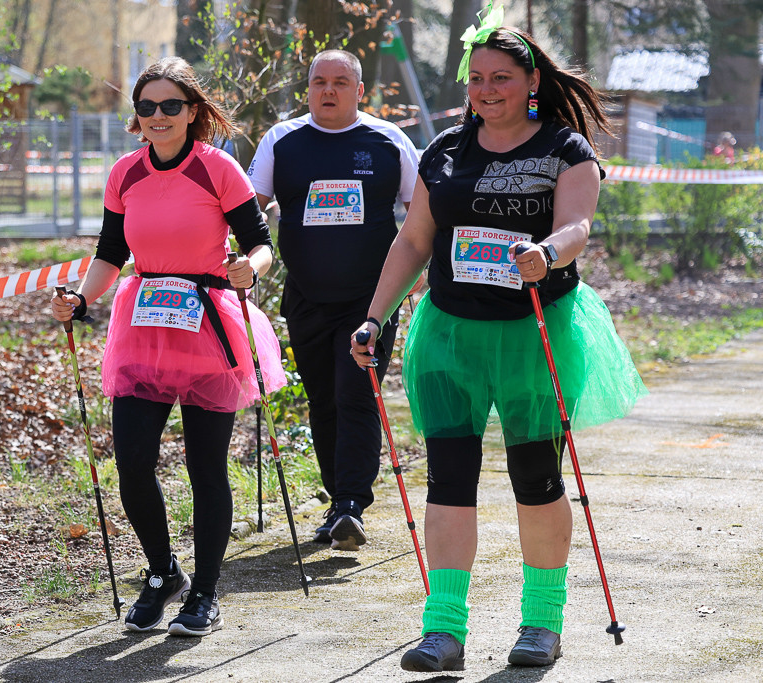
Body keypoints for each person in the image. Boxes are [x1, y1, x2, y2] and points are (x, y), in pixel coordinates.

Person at [351, 6, 647, 672]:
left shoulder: (563, 149)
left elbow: (578, 225)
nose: (487, 90)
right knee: (449, 481)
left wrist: (548, 249)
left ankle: (542, 622)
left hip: (534, 335)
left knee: (535, 480)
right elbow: (413, 241)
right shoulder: (445, 151)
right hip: (450, 336)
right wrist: (374, 316)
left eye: (501, 78)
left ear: (530, 80)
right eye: (477, 78)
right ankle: (442, 628)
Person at [51, 56, 283, 637]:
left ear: (193, 111)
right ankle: (162, 573)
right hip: (146, 323)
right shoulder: (125, 174)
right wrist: (82, 299)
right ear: (137, 116)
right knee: (131, 460)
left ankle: (204, 593)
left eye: (170, 106)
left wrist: (247, 270)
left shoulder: (217, 169)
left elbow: (260, 243)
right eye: (147, 107)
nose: (158, 116)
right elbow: (109, 253)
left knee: (207, 467)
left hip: (208, 322)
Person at [247, 49, 421, 551]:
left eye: (341, 82)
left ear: (359, 90)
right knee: (322, 399)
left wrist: (422, 275)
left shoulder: (389, 141)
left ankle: (351, 502)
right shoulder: (283, 141)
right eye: (319, 81)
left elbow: (420, 215)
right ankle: (337, 501)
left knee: (355, 392)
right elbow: (248, 209)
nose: (328, 90)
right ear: (307, 89)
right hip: (306, 297)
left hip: (371, 300)